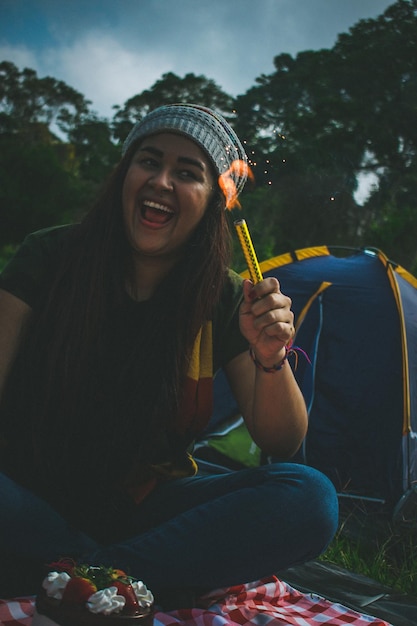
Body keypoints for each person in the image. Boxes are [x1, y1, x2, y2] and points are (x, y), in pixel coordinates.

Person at [0, 103, 338, 603]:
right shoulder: (48, 257)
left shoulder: (226, 297)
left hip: (145, 512)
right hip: (28, 496)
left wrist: (271, 354)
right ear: (124, 176)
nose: (161, 181)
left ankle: (90, 576)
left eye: (187, 173)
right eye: (148, 161)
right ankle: (129, 578)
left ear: (211, 202)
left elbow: (282, 440)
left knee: (310, 497)